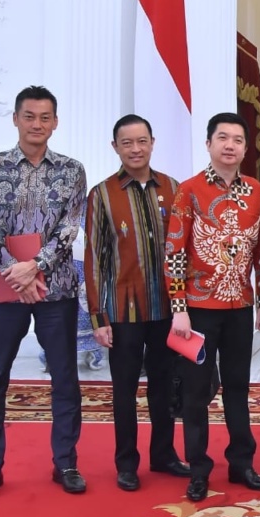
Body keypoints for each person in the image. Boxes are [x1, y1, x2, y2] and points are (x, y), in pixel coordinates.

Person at [0, 85, 88, 503]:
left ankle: (66, 463)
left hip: (56, 291)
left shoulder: (72, 170)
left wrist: (35, 266)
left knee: (65, 379)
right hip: (0, 290)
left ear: (55, 122)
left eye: (45, 117)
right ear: (16, 118)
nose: (37, 124)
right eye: (29, 116)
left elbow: (71, 226)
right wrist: (12, 270)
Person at [166, 112, 260, 502]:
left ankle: (242, 463)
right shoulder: (190, 190)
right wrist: (179, 307)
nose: (230, 145)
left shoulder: (256, 191)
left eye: (238, 139)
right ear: (208, 144)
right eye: (222, 138)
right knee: (195, 393)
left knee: (239, 389)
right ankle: (198, 469)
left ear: (245, 148)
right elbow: (174, 252)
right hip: (198, 311)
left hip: (241, 309)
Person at [84, 114, 190, 491]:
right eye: (126, 143)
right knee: (124, 388)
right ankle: (126, 463)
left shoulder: (174, 189)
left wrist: (184, 306)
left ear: (152, 142)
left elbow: (183, 249)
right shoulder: (101, 194)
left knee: (164, 384)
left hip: (166, 309)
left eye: (141, 141)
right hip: (123, 311)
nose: (135, 148)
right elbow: (94, 258)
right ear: (115, 147)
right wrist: (99, 317)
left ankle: (164, 455)